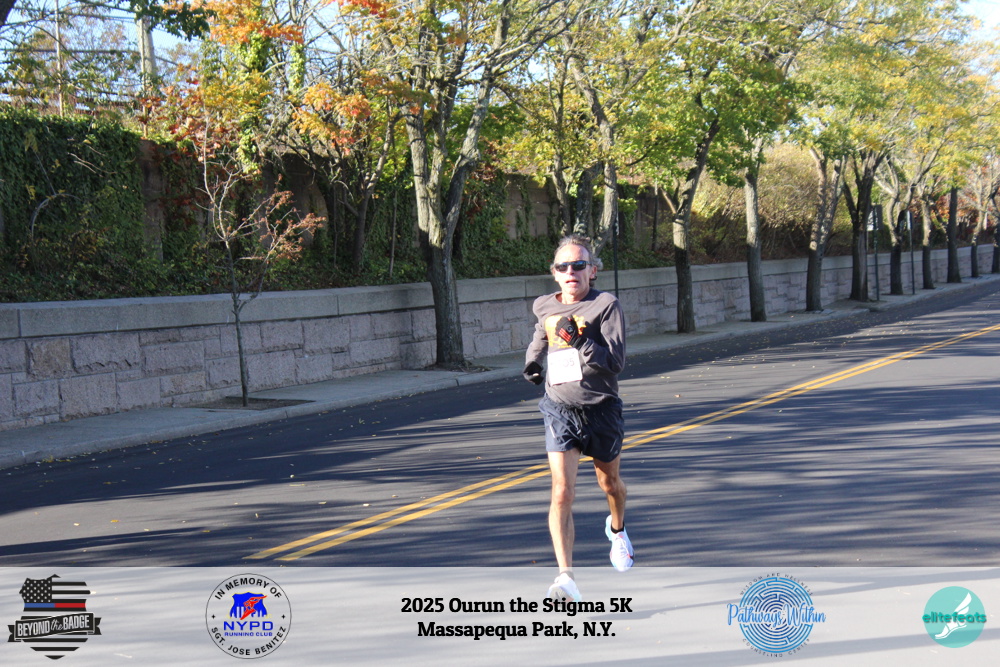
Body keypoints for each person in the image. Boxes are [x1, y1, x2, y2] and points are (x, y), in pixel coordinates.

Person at [523, 234, 633, 602]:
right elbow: (541, 336)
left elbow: (615, 362)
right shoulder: (544, 305)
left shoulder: (605, 305)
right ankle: (566, 577)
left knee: (610, 485)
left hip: (601, 407)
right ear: (554, 273)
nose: (571, 271)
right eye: (563, 266)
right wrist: (532, 363)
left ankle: (617, 530)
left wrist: (581, 340)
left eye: (579, 265)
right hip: (559, 408)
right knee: (562, 491)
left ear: (592, 271)